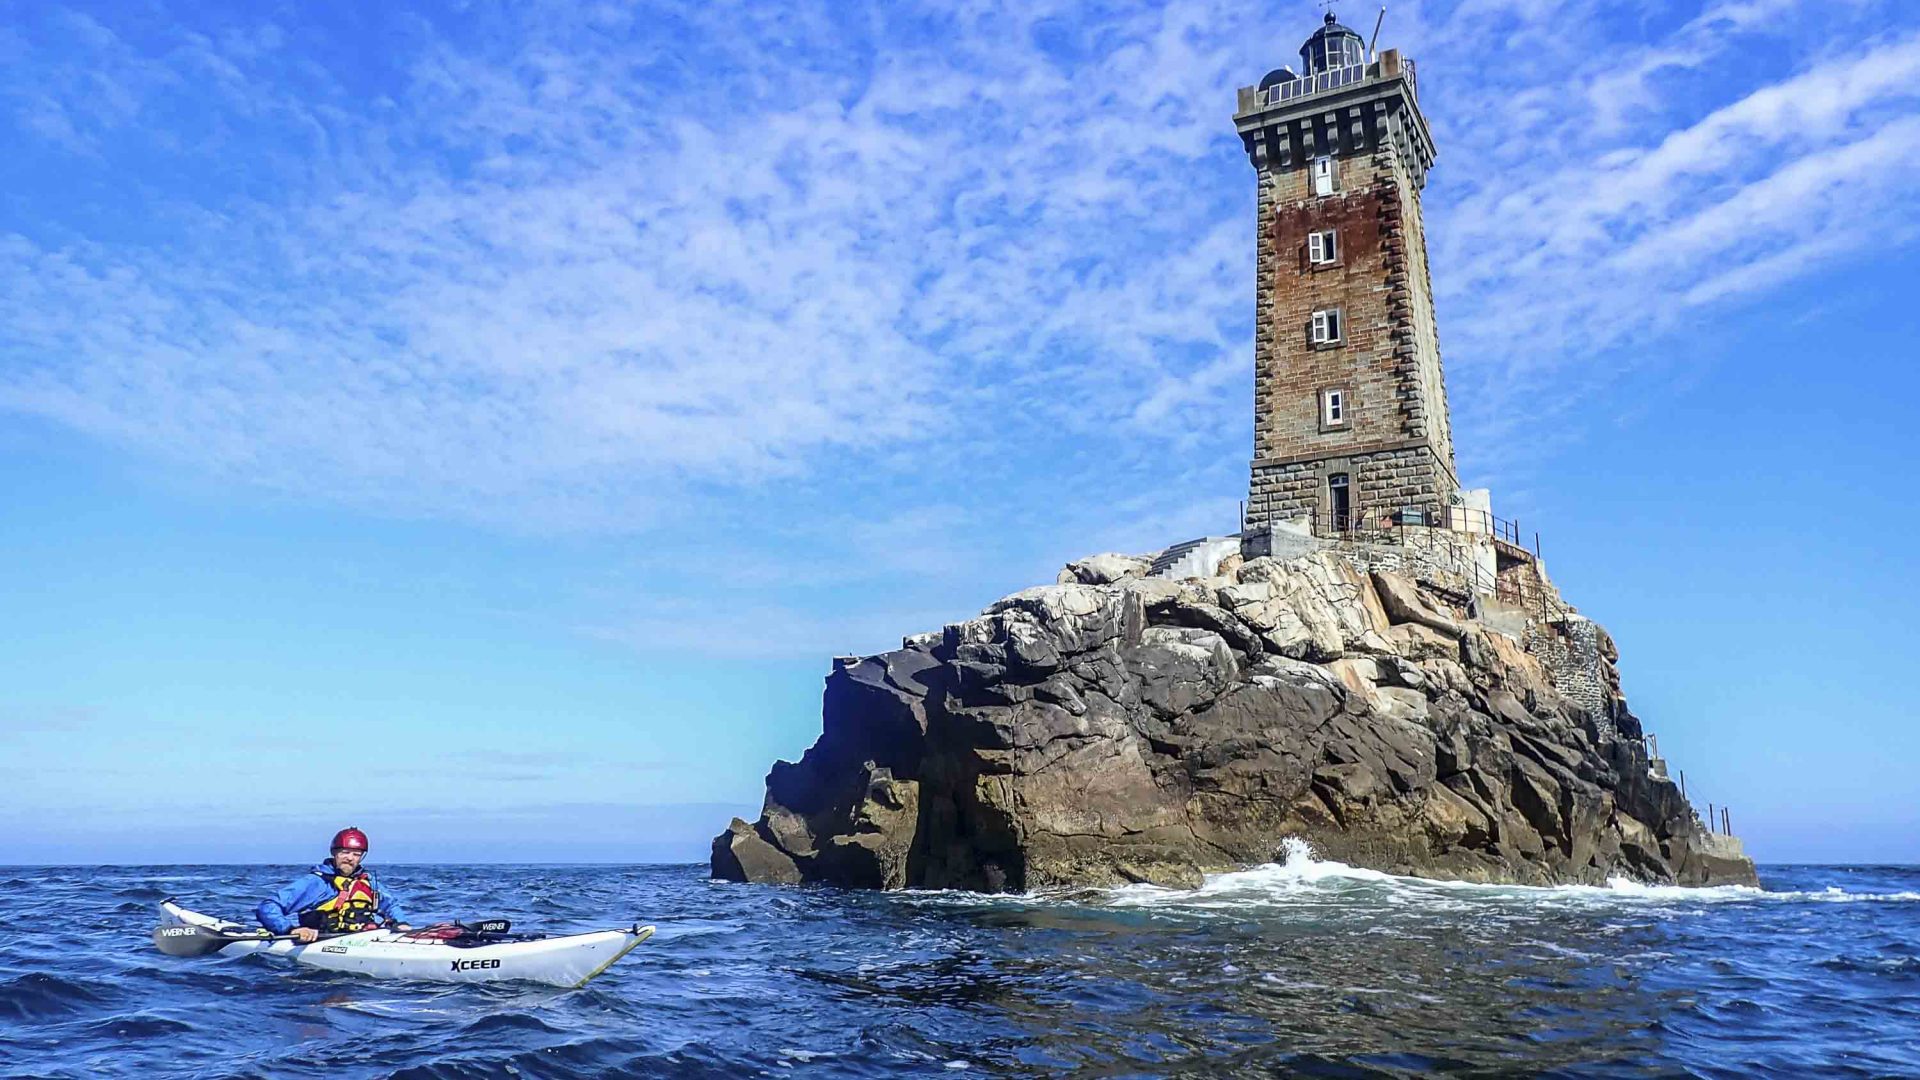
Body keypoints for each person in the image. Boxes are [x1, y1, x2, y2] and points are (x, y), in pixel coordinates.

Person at [256, 827, 413, 942]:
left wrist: (401, 923)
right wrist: (291, 929)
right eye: (345, 852)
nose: (350, 858)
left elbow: (391, 906)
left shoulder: (369, 882)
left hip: (361, 940)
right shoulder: (316, 882)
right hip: (321, 942)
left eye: (356, 854)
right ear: (334, 853)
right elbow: (268, 907)